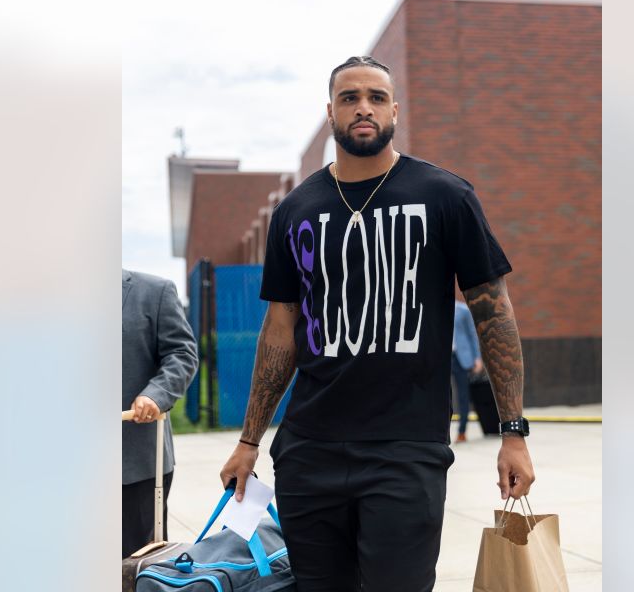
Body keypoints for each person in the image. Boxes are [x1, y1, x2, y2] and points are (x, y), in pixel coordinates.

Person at [219, 56, 536, 591]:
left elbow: (495, 314)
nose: (362, 107)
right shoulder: (296, 210)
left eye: (374, 97)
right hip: (308, 450)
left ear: (394, 109)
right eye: (349, 98)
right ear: (331, 113)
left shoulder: (445, 196)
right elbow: (279, 329)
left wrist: (513, 432)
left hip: (405, 450)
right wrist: (249, 442)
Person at [123, 269, 199, 558]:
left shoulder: (153, 292)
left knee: (133, 566)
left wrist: (154, 395)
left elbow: (182, 354)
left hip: (134, 462)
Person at [450, 298, 486, 443]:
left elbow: (472, 334)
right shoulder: (435, 309)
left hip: (461, 359)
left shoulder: (463, 310)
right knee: (441, 397)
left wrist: (477, 358)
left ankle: (462, 431)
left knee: (463, 396)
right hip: (442, 358)